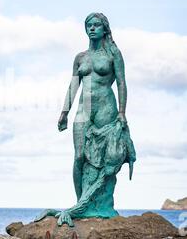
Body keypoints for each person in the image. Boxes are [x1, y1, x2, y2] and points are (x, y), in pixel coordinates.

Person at [35, 13, 136, 227]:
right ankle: (81, 204)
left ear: (105, 29)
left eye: (97, 25)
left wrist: (122, 112)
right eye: (89, 25)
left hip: (106, 108)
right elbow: (73, 85)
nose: (92, 28)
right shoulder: (80, 57)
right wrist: (64, 111)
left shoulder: (113, 54)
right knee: (79, 156)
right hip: (83, 109)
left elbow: (122, 84)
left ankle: (99, 206)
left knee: (103, 159)